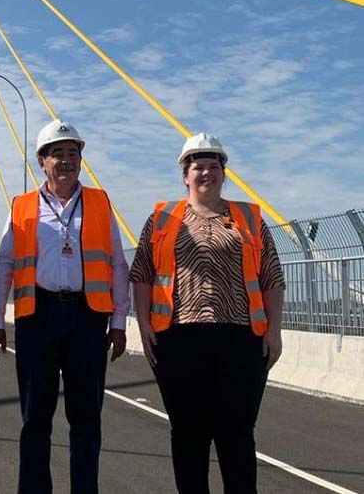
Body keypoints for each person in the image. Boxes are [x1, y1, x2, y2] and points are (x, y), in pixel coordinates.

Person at [129, 132, 285, 494]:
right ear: (185, 174)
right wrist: (143, 323)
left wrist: (274, 329)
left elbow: (272, 276)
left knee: (238, 434)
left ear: (223, 174)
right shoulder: (162, 219)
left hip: (242, 338)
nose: (206, 173)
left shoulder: (250, 217)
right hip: (178, 336)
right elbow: (141, 273)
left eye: (214, 166)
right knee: (188, 434)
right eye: (198, 166)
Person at [0, 119, 130, 494]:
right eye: (58, 153)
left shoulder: (99, 202)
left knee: (86, 419)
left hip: (87, 318)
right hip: (38, 317)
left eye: (73, 153)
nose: (67, 161)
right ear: (41, 160)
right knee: (35, 418)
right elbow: (4, 265)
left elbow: (117, 263)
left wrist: (118, 322)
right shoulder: (21, 207)